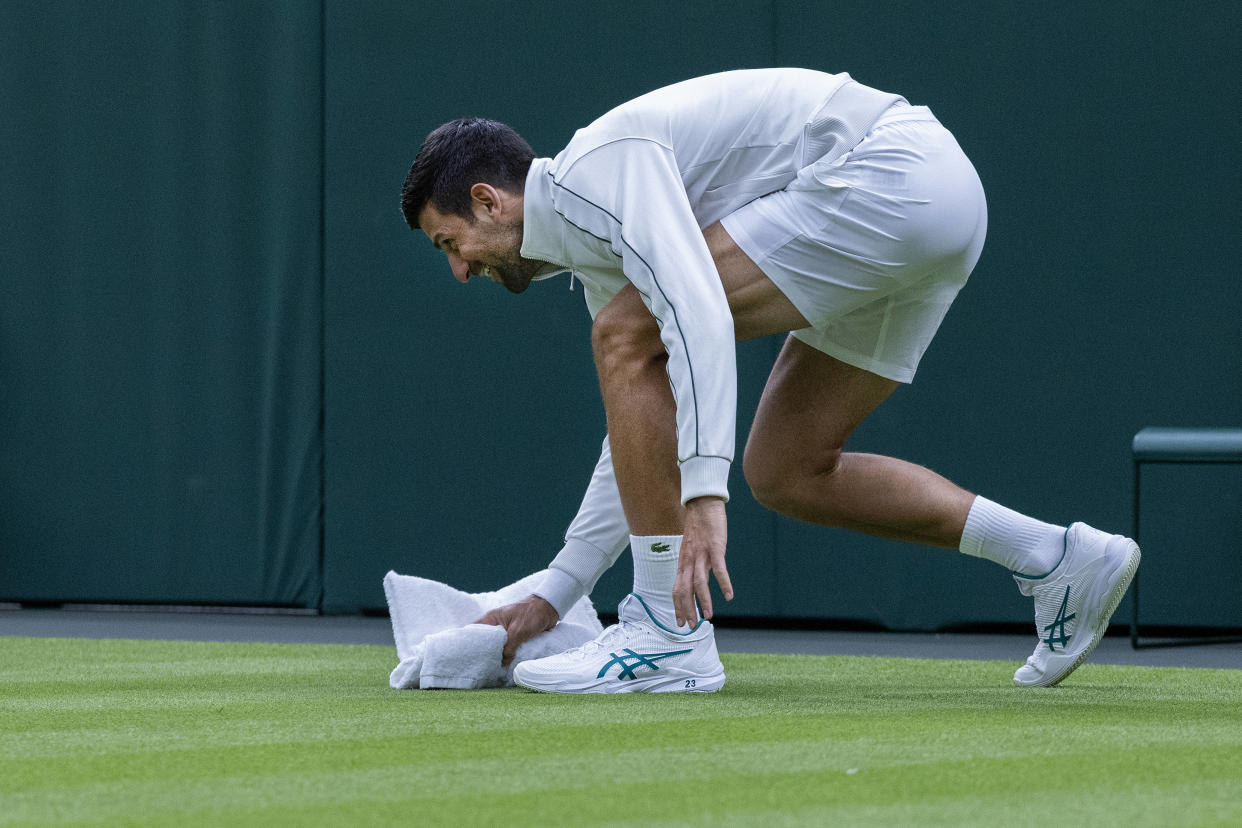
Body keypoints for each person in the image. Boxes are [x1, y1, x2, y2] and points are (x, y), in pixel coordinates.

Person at [400, 68, 1140, 694]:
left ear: (489, 202)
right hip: (940, 206)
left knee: (632, 335)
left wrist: (704, 493)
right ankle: (1056, 558)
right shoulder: (599, 258)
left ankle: (666, 634)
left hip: (889, 172)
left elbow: (692, 314)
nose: (461, 269)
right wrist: (557, 591)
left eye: (450, 243)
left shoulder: (600, 169)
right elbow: (638, 433)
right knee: (789, 468)